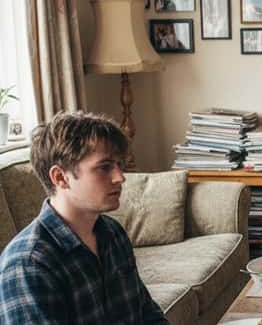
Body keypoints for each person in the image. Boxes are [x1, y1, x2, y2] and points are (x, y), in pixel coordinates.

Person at [0, 111, 168, 323]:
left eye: (119, 165)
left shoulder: (113, 233)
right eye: (104, 167)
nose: (120, 177)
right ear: (60, 177)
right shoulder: (29, 264)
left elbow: (147, 314)